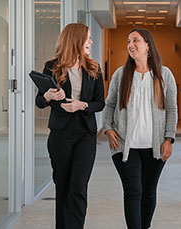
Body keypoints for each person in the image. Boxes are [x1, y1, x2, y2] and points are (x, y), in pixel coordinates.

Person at [102, 28, 177, 229]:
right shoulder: (121, 74)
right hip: (125, 145)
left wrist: (169, 139)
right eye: (128, 41)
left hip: (156, 146)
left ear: (147, 46)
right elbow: (109, 104)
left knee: (149, 190)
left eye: (135, 40)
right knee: (133, 190)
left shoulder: (164, 74)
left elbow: (171, 109)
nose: (130, 44)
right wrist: (107, 128)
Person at [35, 23, 104, 229]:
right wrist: (47, 96)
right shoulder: (52, 67)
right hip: (60, 134)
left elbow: (100, 102)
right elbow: (39, 101)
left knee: (79, 187)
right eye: (88, 38)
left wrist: (82, 105)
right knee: (63, 188)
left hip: (85, 134)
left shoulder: (94, 68)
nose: (91, 42)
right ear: (75, 40)